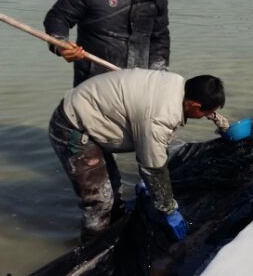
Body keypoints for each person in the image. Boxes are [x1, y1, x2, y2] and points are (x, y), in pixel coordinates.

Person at [48, 69, 225, 243]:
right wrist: (168, 209)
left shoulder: (177, 83)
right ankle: (91, 247)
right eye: (205, 114)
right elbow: (153, 168)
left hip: (91, 115)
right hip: (72, 127)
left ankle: (114, 227)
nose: (205, 117)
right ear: (195, 106)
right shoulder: (159, 118)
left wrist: (222, 124)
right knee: (100, 201)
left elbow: (154, 151)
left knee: (113, 188)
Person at [44, 0, 170, 86]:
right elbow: (58, 17)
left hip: (137, 82)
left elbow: (160, 36)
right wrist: (61, 45)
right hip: (94, 80)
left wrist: (158, 75)